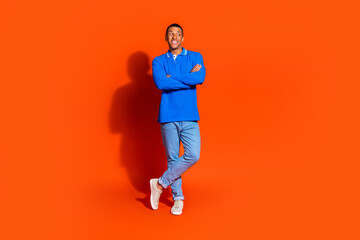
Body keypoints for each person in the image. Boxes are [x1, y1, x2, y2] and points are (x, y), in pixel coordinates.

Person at [150, 23, 206, 215]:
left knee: (193, 154)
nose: (174, 36)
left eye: (178, 34)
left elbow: (200, 77)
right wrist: (187, 78)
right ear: (166, 38)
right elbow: (160, 82)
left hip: (190, 116)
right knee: (172, 159)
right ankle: (178, 199)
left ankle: (159, 184)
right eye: (171, 34)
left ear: (183, 38)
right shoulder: (158, 61)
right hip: (168, 116)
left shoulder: (195, 56)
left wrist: (172, 77)